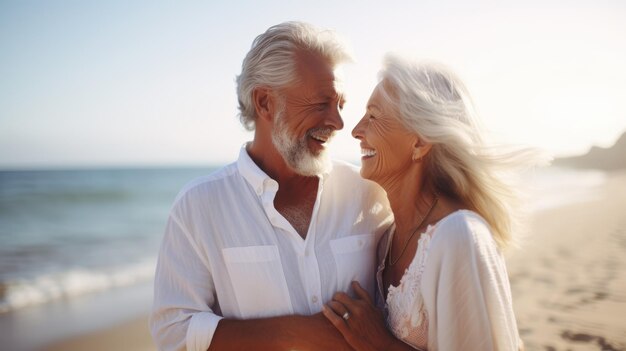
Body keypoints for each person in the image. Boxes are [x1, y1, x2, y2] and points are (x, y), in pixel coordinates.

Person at [149, 22, 392, 351]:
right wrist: (299, 334)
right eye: (321, 104)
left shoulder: (369, 194)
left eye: (340, 105)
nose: (337, 122)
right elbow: (174, 332)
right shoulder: (198, 206)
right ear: (265, 102)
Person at [322, 55, 530, 350]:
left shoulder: (459, 235)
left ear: (419, 142)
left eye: (374, 116)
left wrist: (380, 343)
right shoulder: (385, 240)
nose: (355, 130)